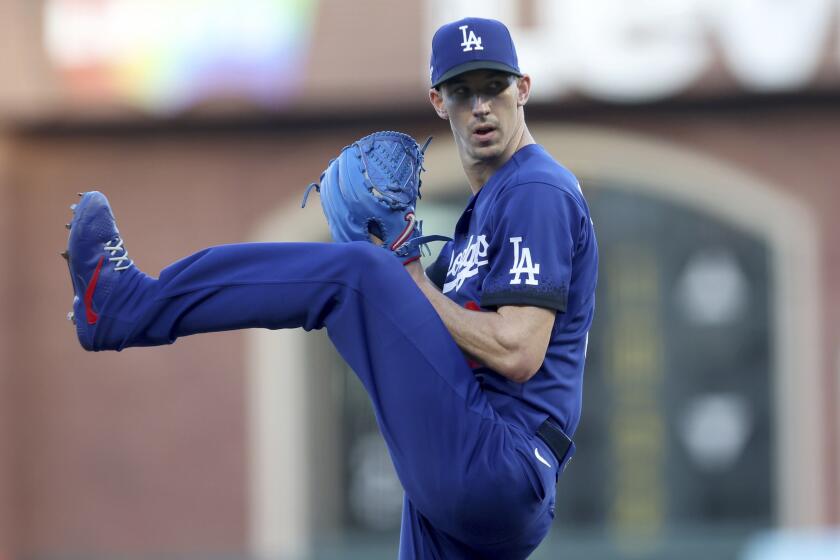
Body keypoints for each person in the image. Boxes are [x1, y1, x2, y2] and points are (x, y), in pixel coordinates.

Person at [62, 17, 597, 560]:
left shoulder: (534, 188)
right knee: (376, 277)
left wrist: (405, 276)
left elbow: (518, 350)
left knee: (357, 276)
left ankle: (127, 307)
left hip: (500, 461)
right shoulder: (487, 208)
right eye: (463, 90)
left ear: (522, 89)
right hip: (478, 477)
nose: (481, 105)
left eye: (494, 86)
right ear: (439, 101)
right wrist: (409, 281)